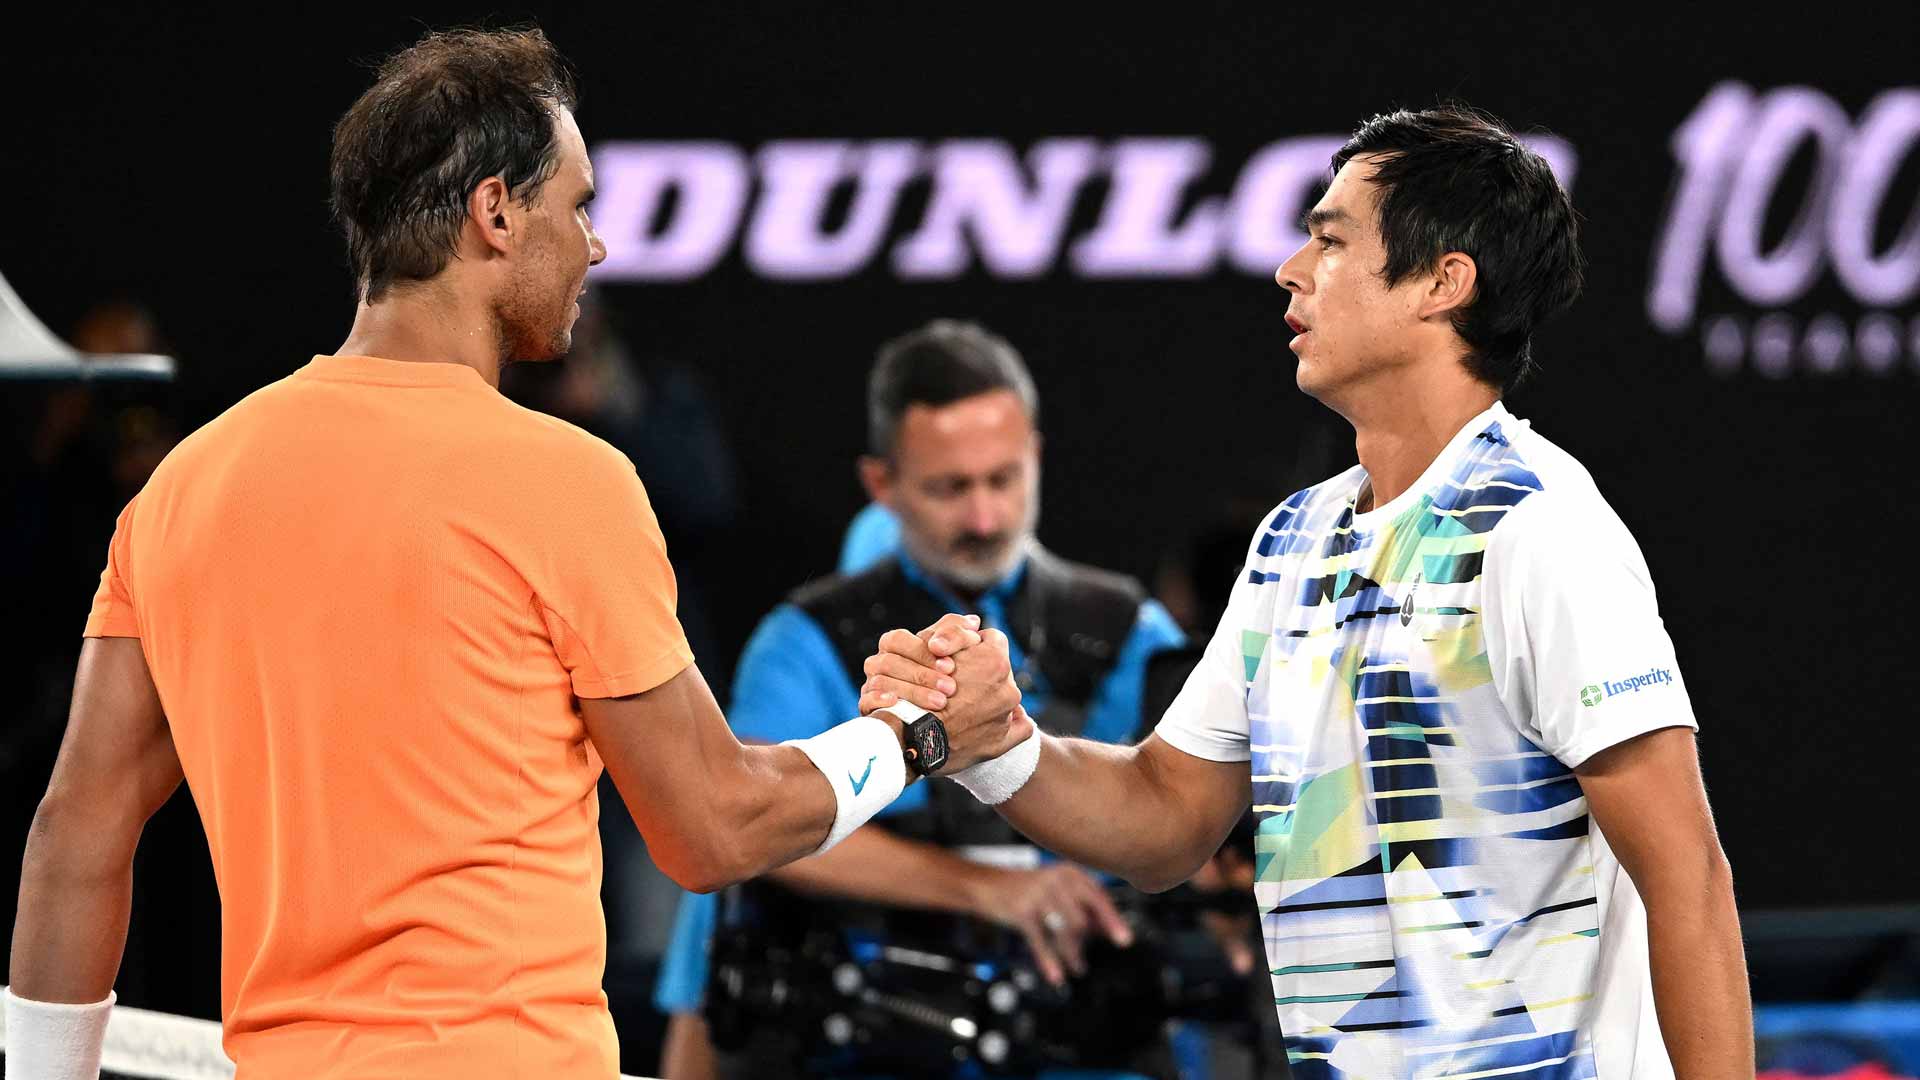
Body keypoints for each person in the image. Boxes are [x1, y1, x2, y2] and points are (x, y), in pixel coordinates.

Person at [5, 27, 1021, 1080]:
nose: (596, 245)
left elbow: (73, 841)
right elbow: (716, 825)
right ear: (496, 212)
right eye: (578, 205)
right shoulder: (565, 482)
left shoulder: (182, 491)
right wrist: (916, 736)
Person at [863, 107, 1753, 1077]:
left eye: (1330, 240)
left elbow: (1688, 883)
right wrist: (1000, 748)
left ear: (1443, 283)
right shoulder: (1293, 540)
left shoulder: (1540, 532)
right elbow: (1165, 821)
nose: (1291, 269)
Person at [652, 320, 1193, 1079]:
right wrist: (992, 889)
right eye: (950, 487)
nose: (984, 517)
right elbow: (745, 832)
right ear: (881, 484)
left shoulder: (1131, 633)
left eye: (1003, 479)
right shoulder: (806, 640)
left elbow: (1196, 819)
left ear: (1036, 454)